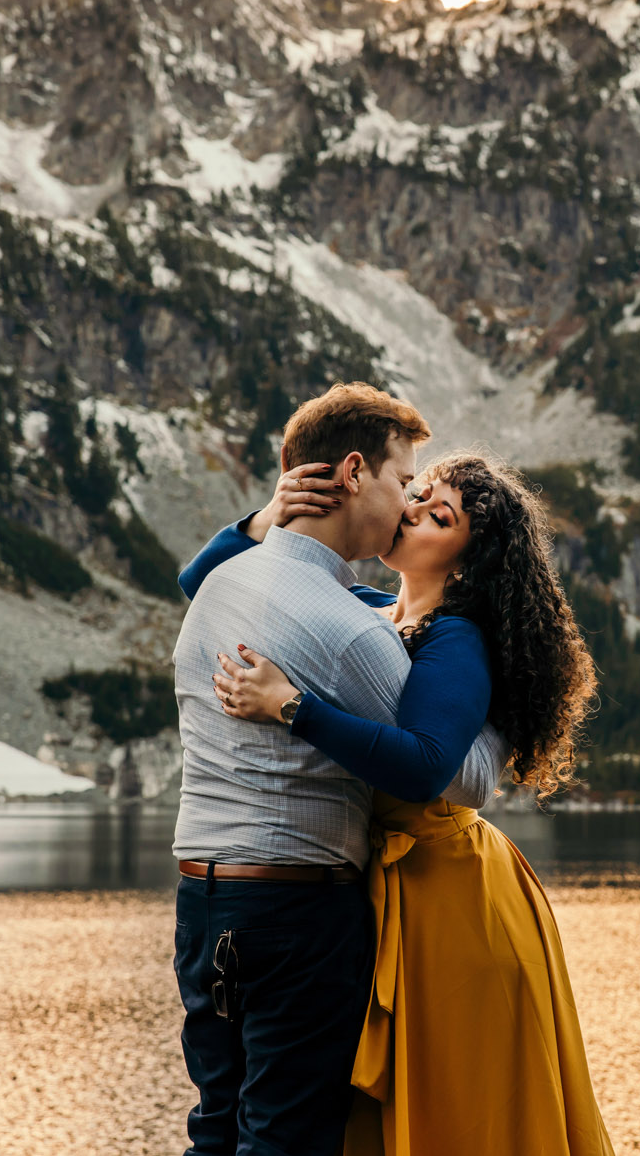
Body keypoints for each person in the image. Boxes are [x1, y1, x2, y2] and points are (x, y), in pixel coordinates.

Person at [187, 446, 615, 1156]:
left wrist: (291, 707)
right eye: (415, 495)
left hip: (453, 903)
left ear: (466, 560)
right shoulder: (366, 608)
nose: (410, 511)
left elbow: (422, 768)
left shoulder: (457, 639)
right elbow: (203, 583)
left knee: (462, 1113)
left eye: (437, 516)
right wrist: (268, 518)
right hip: (386, 890)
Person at [168, 382, 509, 1156]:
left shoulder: (227, 584)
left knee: (216, 1127)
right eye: (404, 483)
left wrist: (263, 524)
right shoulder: (354, 629)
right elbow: (456, 776)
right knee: (286, 1138)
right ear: (355, 473)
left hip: (201, 896)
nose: (408, 503)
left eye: (432, 506)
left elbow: (197, 580)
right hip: (298, 910)